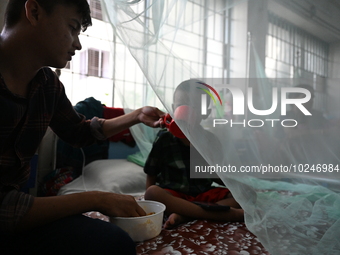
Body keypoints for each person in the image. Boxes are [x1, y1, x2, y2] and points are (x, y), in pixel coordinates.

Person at [0, 1, 165, 254]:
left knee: (114, 242)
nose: (77, 44)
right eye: (73, 27)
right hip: (8, 212)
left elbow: (79, 132)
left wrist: (135, 116)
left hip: (14, 211)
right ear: (33, 12)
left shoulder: (47, 86)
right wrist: (97, 198)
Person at [144, 80, 244, 229]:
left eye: (194, 107)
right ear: (173, 109)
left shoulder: (210, 140)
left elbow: (219, 177)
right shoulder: (164, 138)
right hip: (174, 194)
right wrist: (149, 204)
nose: (187, 111)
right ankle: (225, 214)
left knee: (243, 193)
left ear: (206, 113)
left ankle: (185, 213)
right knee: (152, 193)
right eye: (181, 106)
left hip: (203, 193)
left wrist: (235, 184)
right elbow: (151, 172)